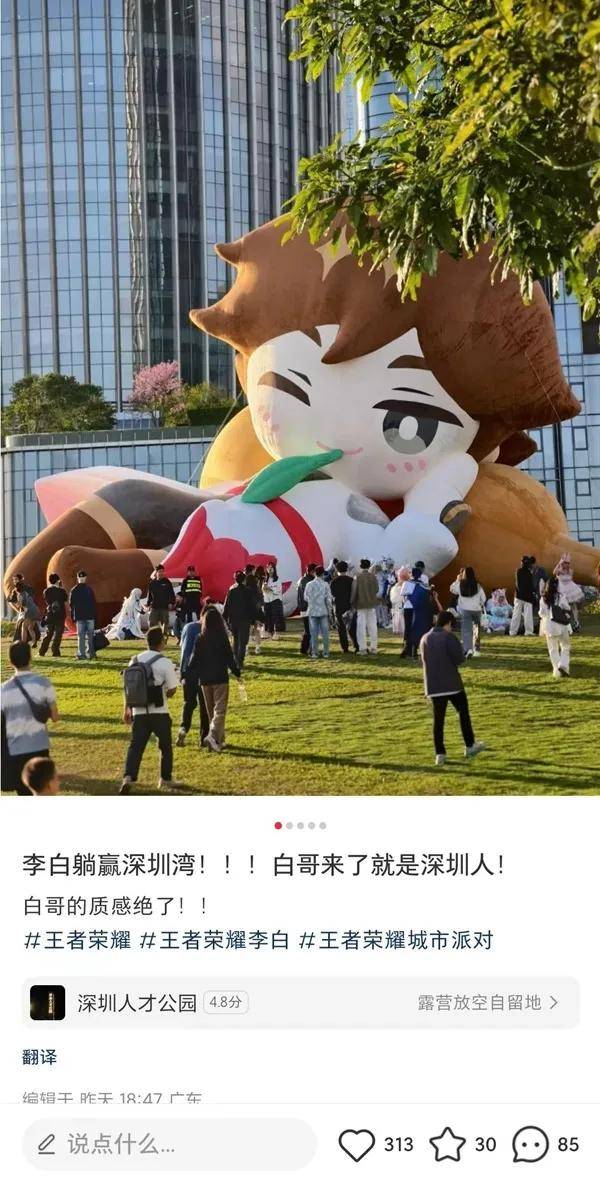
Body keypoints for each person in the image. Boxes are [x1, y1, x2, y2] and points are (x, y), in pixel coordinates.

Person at [420, 611, 486, 766]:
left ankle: (440, 754)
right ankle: (469, 744)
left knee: (438, 720)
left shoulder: (425, 638)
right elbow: (459, 659)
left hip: (433, 686)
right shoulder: (448, 637)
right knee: (463, 712)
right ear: (448, 623)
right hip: (452, 684)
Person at [120, 626, 180, 794]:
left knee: (136, 747)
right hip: (159, 711)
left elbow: (128, 688)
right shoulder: (165, 662)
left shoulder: (134, 660)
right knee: (165, 747)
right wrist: (164, 694)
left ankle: (128, 777)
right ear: (162, 642)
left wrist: (127, 709)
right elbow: (172, 689)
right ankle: (165, 778)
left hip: (138, 711)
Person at [1, 641, 59, 792]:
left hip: (16, 749)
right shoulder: (43, 683)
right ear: (30, 658)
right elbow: (55, 716)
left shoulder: (3, 690)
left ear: (10, 662)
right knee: (42, 791)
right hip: (40, 746)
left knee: (24, 791)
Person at [187, 608, 241, 752]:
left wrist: (188, 673)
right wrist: (236, 672)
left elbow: (193, 660)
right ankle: (213, 736)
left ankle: (218, 740)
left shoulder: (200, 638)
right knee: (220, 710)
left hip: (204, 680)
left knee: (211, 711)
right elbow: (229, 658)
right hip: (220, 678)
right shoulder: (222, 638)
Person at [539, 575, 572, 678]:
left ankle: (557, 672)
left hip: (549, 626)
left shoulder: (543, 598)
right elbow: (567, 607)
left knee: (553, 649)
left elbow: (541, 613)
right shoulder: (560, 597)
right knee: (565, 646)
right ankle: (563, 665)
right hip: (561, 624)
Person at [449, 566, 487, 656]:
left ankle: (468, 649)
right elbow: (483, 598)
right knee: (476, 629)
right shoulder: (478, 585)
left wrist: (457, 580)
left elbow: (452, 589)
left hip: (465, 610)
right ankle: (476, 650)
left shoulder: (460, 584)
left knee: (466, 630)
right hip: (477, 610)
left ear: (464, 574)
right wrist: (479, 603)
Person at [223, 570, 256, 668]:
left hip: (233, 620)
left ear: (235, 580)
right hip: (245, 620)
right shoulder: (248, 591)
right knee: (243, 642)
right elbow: (252, 607)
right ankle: (240, 661)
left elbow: (226, 607)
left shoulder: (231, 592)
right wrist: (253, 620)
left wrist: (225, 619)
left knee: (236, 641)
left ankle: (237, 660)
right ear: (244, 579)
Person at [351, 559, 380, 655]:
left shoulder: (357, 576)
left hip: (360, 604)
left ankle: (363, 648)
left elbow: (354, 591)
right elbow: (377, 589)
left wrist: (352, 602)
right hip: (371, 604)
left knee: (361, 627)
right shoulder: (373, 576)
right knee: (373, 626)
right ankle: (374, 648)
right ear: (369, 566)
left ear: (361, 566)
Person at [304, 565, 333, 658]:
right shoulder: (325, 585)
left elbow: (305, 597)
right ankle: (326, 652)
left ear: (315, 573)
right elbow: (329, 600)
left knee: (313, 633)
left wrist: (312, 602)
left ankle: (314, 652)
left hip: (312, 611)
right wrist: (330, 611)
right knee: (325, 633)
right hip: (323, 611)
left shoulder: (309, 584)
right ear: (323, 573)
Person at [330, 560, 358, 653]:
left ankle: (345, 648)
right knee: (352, 627)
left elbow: (332, 595)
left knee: (341, 628)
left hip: (338, 607)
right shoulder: (351, 580)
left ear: (336, 569)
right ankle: (356, 645)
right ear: (347, 569)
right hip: (350, 606)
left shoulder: (333, 582)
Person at [69, 570, 97, 660]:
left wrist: (73, 616)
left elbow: (71, 604)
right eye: (81, 577)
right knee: (90, 636)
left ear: (78, 578)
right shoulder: (89, 589)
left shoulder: (74, 590)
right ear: (85, 578)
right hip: (89, 615)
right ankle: (91, 653)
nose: (82, 578)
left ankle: (82, 654)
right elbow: (93, 603)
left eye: (82, 577)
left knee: (81, 636)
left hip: (79, 616)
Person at [553, 553, 584, 632]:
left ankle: (576, 622)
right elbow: (554, 572)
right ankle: (564, 622)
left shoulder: (570, 570)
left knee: (573, 606)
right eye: (565, 563)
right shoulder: (559, 570)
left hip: (570, 589)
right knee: (562, 606)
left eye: (567, 563)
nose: (566, 565)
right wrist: (559, 563)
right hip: (562, 590)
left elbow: (571, 578)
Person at [39, 573, 69, 656]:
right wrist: (60, 587)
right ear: (58, 580)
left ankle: (42, 651)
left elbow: (47, 601)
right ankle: (55, 651)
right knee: (58, 634)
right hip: (60, 615)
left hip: (50, 614)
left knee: (48, 634)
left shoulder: (46, 591)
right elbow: (65, 599)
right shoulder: (62, 591)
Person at [408, 575, 437, 656]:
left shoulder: (417, 590)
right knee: (424, 633)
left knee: (417, 633)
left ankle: (415, 651)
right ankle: (422, 650)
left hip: (420, 615)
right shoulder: (427, 591)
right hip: (425, 615)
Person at [146, 564, 176, 639]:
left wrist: (171, 603)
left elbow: (172, 594)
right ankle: (152, 639)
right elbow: (150, 595)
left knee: (165, 625)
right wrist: (148, 604)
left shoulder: (167, 582)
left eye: (162, 571)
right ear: (156, 572)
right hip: (154, 607)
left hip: (164, 607)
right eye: (159, 571)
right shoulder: (152, 583)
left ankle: (164, 640)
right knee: (152, 624)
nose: (161, 573)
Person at [509, 555, 536, 637]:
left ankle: (513, 631)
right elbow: (531, 586)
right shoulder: (529, 573)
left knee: (516, 615)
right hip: (527, 597)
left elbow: (519, 585)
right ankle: (528, 631)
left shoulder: (519, 571)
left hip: (519, 596)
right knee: (527, 615)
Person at [7, 573, 35, 640]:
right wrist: (18, 606)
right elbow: (10, 600)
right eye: (13, 580)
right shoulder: (15, 590)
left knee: (23, 626)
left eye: (16, 579)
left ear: (20, 580)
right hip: (24, 610)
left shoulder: (26, 588)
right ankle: (26, 641)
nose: (14, 581)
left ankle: (21, 641)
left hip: (28, 610)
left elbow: (31, 596)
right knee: (25, 626)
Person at [296, 564, 316, 655]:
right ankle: (310, 649)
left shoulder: (302, 580)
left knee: (308, 630)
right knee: (310, 630)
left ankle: (304, 648)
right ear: (312, 571)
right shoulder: (309, 581)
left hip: (303, 607)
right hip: (308, 607)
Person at [245, 564, 265, 653]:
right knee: (256, 628)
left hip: (248, 608)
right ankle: (257, 648)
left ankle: (246, 649)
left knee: (248, 629)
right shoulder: (255, 581)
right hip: (256, 608)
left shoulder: (244, 582)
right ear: (251, 570)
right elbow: (259, 593)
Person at [263, 562, 285, 637]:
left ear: (274, 569)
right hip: (267, 601)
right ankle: (269, 632)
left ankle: (276, 633)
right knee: (268, 617)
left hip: (275, 600)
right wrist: (264, 589)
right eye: (268, 567)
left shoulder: (277, 579)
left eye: (271, 567)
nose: (270, 569)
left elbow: (279, 590)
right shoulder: (265, 579)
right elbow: (263, 590)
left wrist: (270, 589)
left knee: (276, 617)